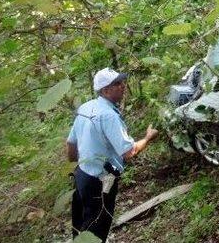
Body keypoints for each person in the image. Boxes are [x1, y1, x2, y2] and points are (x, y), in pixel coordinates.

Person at [66, 68, 158, 242]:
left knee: (80, 224)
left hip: (82, 176)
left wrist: (76, 163)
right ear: (105, 90)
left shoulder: (86, 107)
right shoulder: (108, 116)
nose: (123, 86)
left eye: (122, 82)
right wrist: (148, 138)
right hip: (100, 182)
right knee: (96, 228)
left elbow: (70, 143)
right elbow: (129, 152)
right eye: (117, 84)